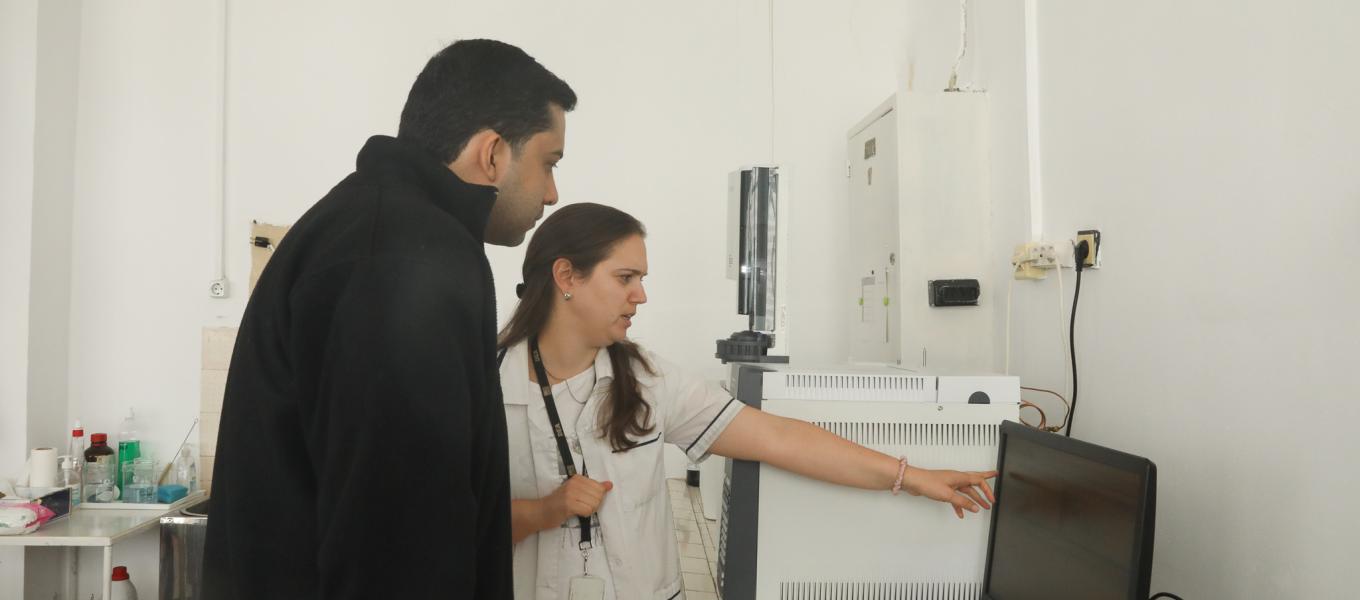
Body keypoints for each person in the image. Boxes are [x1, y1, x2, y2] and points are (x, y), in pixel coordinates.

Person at [203, 39, 574, 599]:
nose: (551, 193)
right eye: (548, 163)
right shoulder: (401, 257)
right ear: (494, 152)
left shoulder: (380, 229)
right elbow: (395, 536)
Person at [498, 203, 997, 599]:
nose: (641, 296)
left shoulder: (647, 379)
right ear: (567, 277)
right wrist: (543, 512)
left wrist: (912, 478)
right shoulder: (485, 382)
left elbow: (778, 437)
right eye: (626, 278)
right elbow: (441, 523)